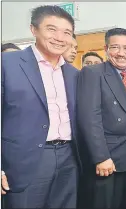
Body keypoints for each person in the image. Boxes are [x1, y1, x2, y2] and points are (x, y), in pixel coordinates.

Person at [1, 5, 80, 208]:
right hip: (24, 161)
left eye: (67, 33)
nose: (59, 38)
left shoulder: (74, 73)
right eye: (51, 29)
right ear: (33, 29)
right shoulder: (7, 64)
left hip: (68, 158)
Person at [77, 28, 126, 209]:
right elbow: (89, 118)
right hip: (108, 160)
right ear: (106, 49)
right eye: (115, 47)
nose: (121, 53)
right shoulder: (93, 73)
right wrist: (101, 157)